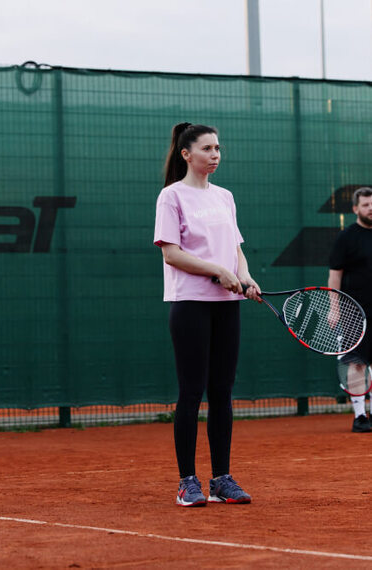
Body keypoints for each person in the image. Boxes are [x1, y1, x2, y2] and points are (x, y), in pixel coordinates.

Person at [153, 122, 261, 507]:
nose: (215, 154)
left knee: (222, 393)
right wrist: (218, 272)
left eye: (218, 148)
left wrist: (244, 276)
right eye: (207, 148)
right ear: (187, 154)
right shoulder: (171, 196)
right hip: (190, 306)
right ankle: (187, 482)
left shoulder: (225, 197)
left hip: (227, 308)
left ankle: (222, 479)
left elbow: (235, 249)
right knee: (191, 393)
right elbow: (171, 253)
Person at [328, 186, 372, 433]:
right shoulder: (346, 237)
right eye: (366, 205)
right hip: (354, 313)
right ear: (356, 209)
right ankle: (360, 416)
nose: (371, 208)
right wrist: (334, 309)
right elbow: (335, 276)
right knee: (356, 364)